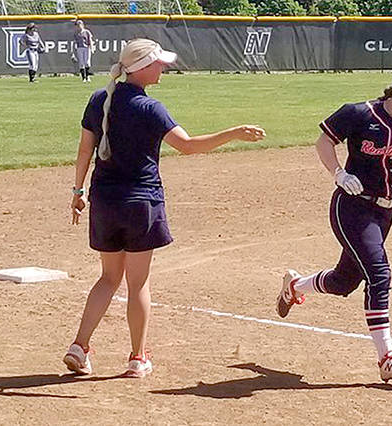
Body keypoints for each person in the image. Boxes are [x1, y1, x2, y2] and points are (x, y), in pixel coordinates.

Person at [64, 38, 266, 378]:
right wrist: (233, 133)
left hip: (105, 201)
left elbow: (85, 150)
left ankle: (79, 346)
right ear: (141, 68)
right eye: (158, 63)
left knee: (108, 277)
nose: (163, 67)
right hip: (142, 203)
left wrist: (78, 190)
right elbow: (187, 146)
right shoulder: (150, 108)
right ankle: (137, 357)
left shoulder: (101, 99)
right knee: (137, 283)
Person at [276, 62, 392, 383]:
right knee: (379, 274)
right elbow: (324, 141)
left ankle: (294, 286)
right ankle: (387, 357)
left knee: (343, 282)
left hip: (385, 212)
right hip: (350, 207)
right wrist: (338, 173)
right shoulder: (360, 114)